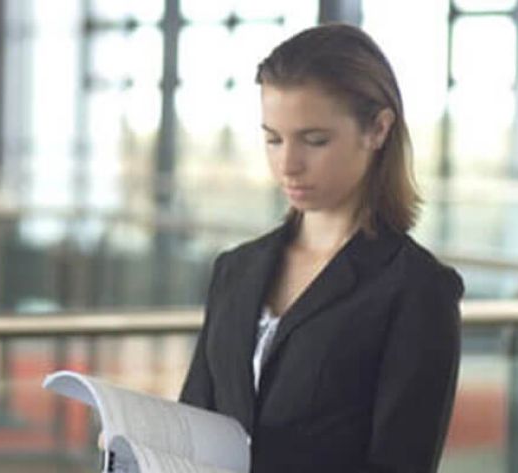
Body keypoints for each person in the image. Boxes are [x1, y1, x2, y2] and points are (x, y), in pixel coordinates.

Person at [178, 23, 464, 472]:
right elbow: (194, 424)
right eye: (273, 138)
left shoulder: (416, 289)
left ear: (378, 129)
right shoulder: (235, 269)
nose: (287, 164)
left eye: (314, 140)